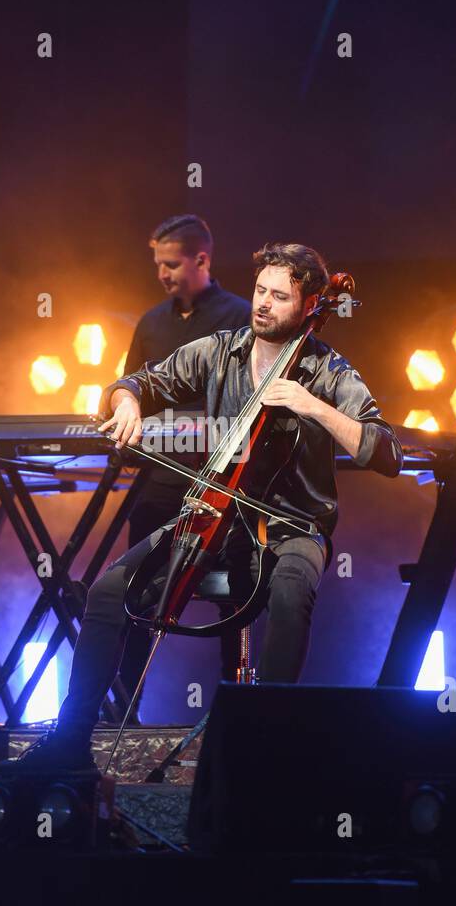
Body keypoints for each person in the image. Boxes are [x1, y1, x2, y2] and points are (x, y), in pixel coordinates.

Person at [31, 242, 402, 770]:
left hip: (291, 527)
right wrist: (129, 404)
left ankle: (267, 746)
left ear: (311, 304)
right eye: (259, 291)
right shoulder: (218, 351)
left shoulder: (329, 372)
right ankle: (69, 744)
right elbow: (134, 382)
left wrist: (310, 405)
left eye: (280, 296)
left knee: (293, 590)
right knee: (110, 590)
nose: (264, 304)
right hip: (211, 515)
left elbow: (385, 452)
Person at [116, 214, 251, 716]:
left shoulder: (240, 315)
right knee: (132, 593)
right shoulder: (151, 322)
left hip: (220, 484)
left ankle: (236, 711)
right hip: (159, 483)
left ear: (202, 260)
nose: (163, 274)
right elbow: (130, 386)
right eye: (157, 264)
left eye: (171, 264)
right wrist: (125, 408)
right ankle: (123, 712)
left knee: (233, 599)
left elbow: (244, 401)